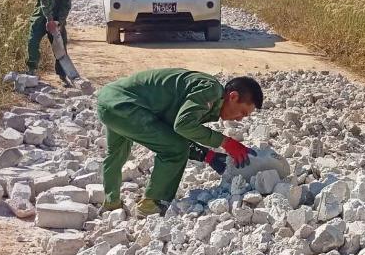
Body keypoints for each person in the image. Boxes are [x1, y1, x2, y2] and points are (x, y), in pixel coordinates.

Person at [97, 68, 263, 217]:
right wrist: (226, 142)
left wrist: (209, 156)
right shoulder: (211, 90)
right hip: (126, 106)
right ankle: (151, 205)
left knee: (116, 153)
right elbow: (183, 127)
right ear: (233, 96)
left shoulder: (207, 94)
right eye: (242, 112)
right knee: (174, 149)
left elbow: (174, 130)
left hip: (109, 101)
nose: (239, 119)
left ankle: (112, 204)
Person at [26, 0, 73, 86]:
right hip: (41, 16)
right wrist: (49, 20)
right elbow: (44, 1)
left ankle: (63, 75)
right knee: (32, 41)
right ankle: (31, 69)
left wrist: (59, 22)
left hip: (58, 19)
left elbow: (66, 5)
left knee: (61, 45)